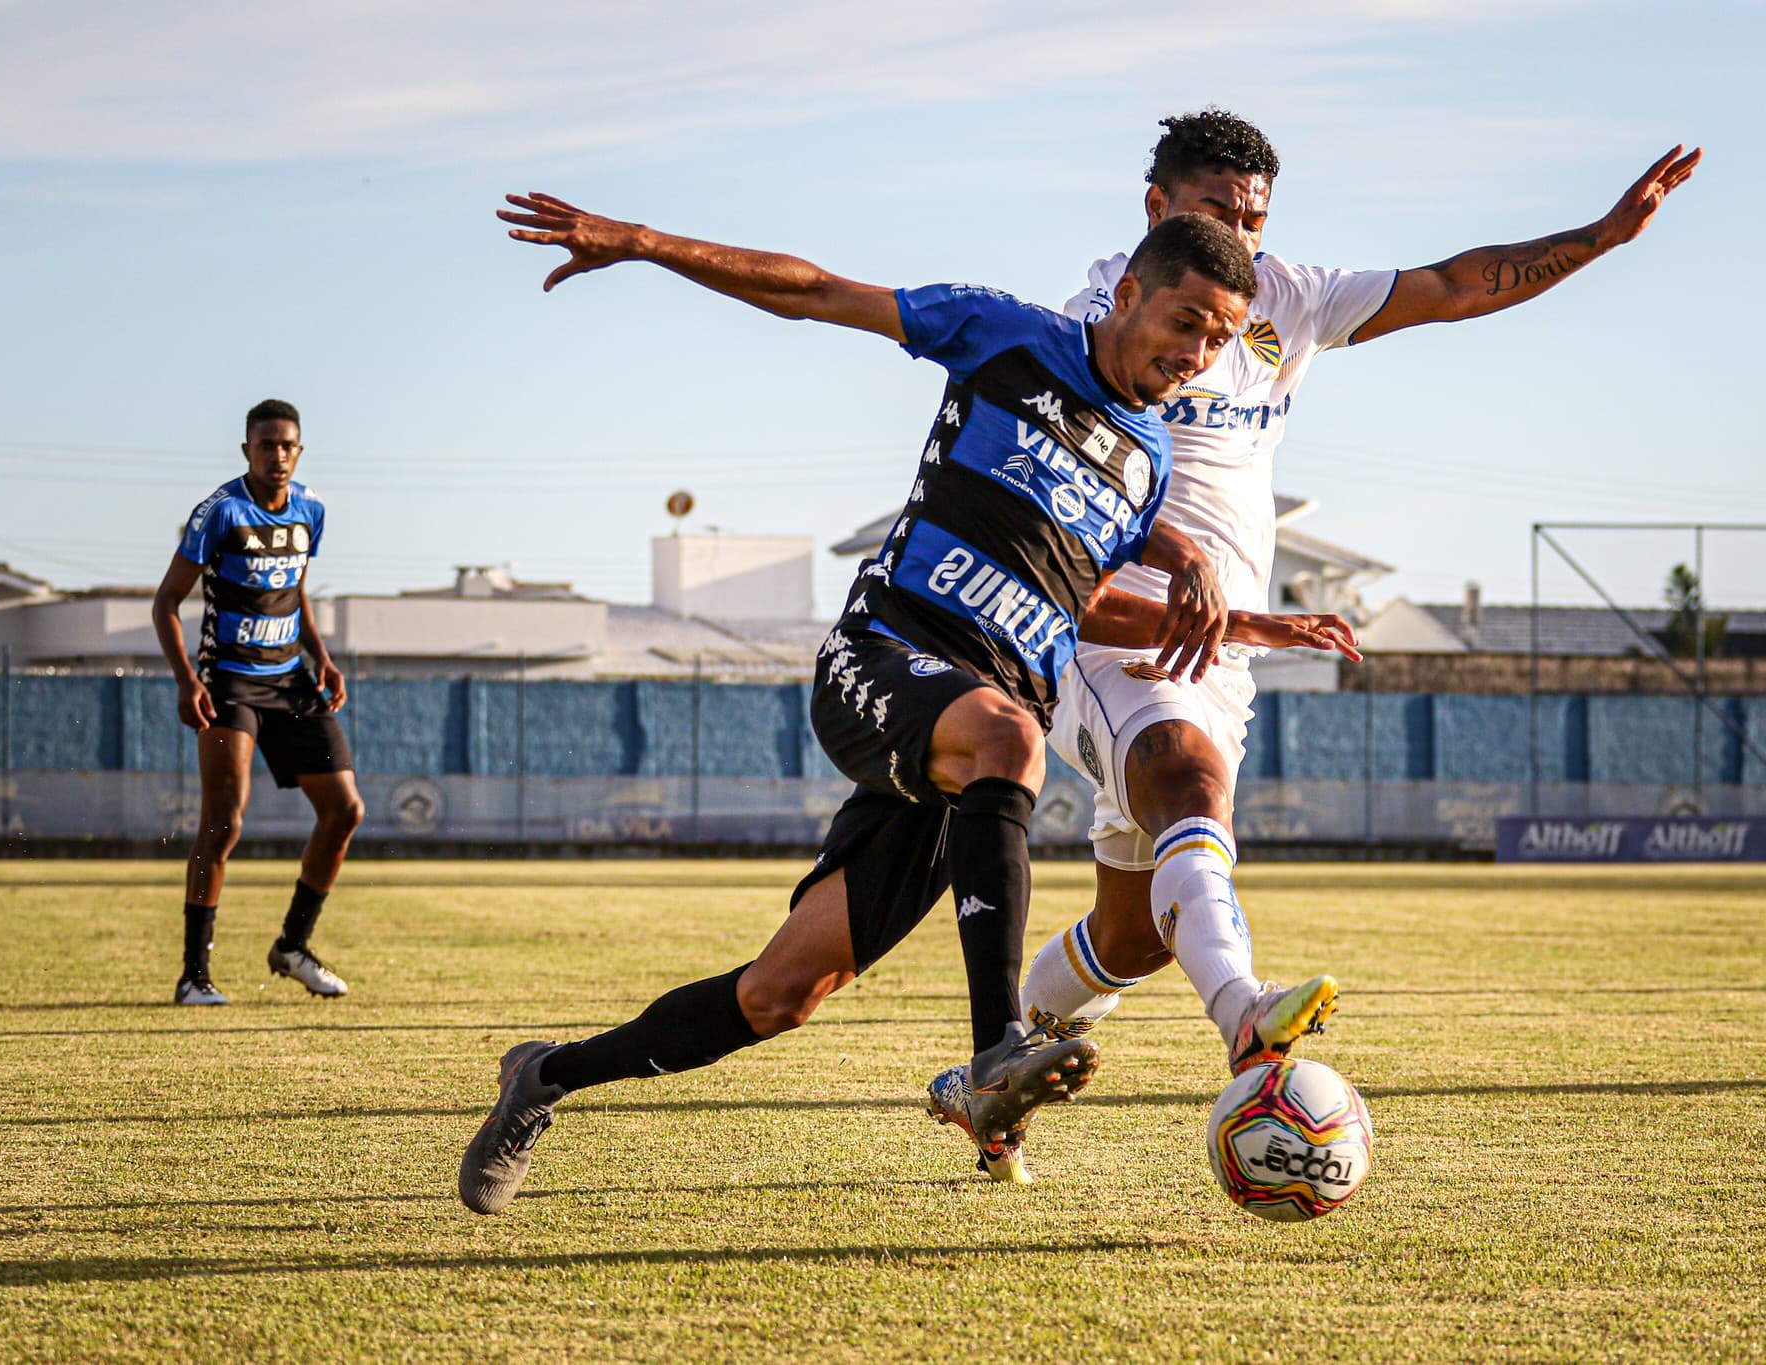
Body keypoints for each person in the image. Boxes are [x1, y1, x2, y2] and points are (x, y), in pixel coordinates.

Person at [458, 194, 1260, 1213]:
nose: (1196, 352)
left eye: (1220, 339)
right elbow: (815, 293)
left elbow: (1072, 598)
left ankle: (544, 1078)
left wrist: (1210, 586)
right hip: (885, 659)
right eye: (1184, 321)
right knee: (1012, 739)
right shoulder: (1011, 337)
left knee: (778, 995)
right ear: (1131, 292)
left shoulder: (1148, 464)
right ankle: (993, 1059)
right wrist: (647, 244)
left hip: (967, 750)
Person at [987, 110, 1702, 1098]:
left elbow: (1451, 286)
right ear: (1156, 209)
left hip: (1224, 651)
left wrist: (1601, 237)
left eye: (1253, 218)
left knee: (1130, 934)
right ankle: (1241, 1010)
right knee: (1186, 782)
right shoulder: (1093, 322)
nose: (1238, 239)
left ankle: (1004, 1055)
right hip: (1119, 635)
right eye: (1213, 214)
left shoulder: (1288, 300)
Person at [151, 398, 365, 1006]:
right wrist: (187, 680)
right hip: (231, 683)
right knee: (225, 818)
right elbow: (166, 602)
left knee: (346, 811)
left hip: (292, 680)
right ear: (246, 450)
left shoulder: (312, 510)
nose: (277, 455)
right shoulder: (220, 511)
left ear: (300, 451)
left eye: (287, 445)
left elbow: (295, 589)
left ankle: (292, 946)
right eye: (266, 444)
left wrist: (320, 655)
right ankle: (194, 974)